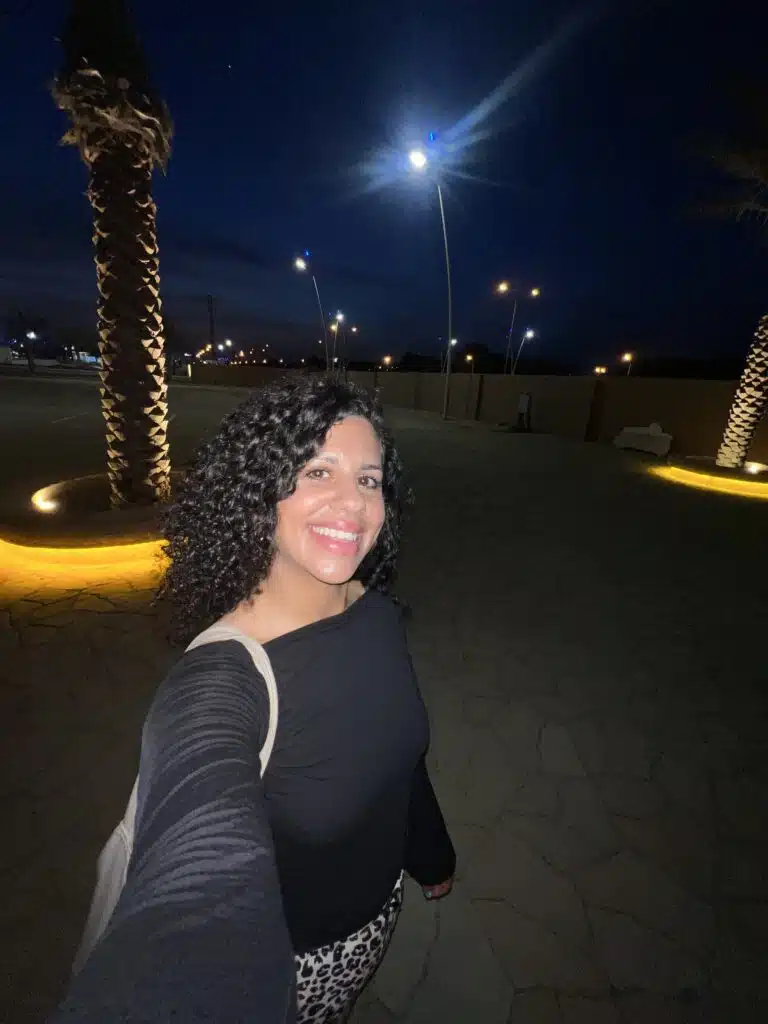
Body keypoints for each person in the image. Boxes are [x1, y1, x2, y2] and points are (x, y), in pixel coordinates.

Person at [132, 376, 453, 1023]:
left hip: (375, 917)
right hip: (281, 964)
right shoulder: (221, 682)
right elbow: (176, 878)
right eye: (317, 471)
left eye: (368, 479)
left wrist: (429, 854)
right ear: (260, 493)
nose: (352, 503)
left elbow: (400, 759)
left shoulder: (377, 614)